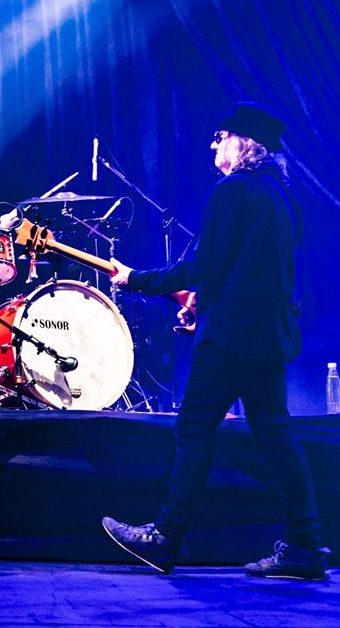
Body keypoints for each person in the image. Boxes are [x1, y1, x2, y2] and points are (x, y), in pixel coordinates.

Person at [101, 102, 327, 580]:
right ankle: (306, 546)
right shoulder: (283, 197)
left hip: (229, 339)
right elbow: (258, 273)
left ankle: (165, 537)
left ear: (242, 143)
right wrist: (205, 302)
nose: (212, 144)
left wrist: (136, 278)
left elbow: (204, 266)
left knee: (194, 429)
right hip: (266, 335)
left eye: (220, 135)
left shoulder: (234, 190)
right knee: (276, 435)